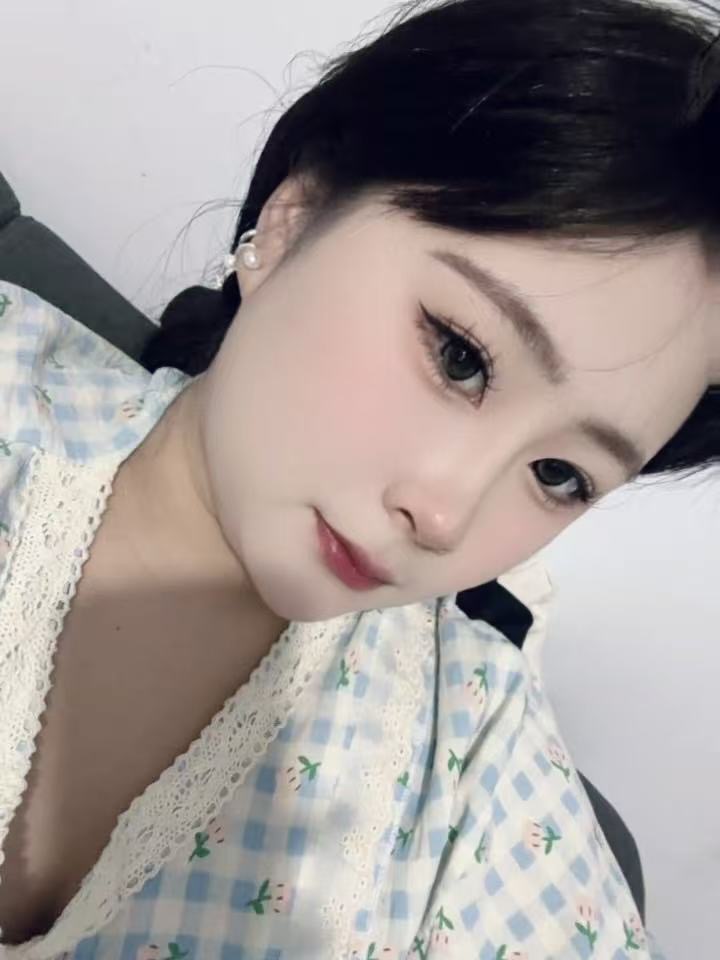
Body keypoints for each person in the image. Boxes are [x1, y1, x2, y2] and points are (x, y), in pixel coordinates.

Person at [0, 0, 718, 956]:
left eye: (559, 475)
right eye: (461, 356)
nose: (445, 514)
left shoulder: (475, 771)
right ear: (291, 220)